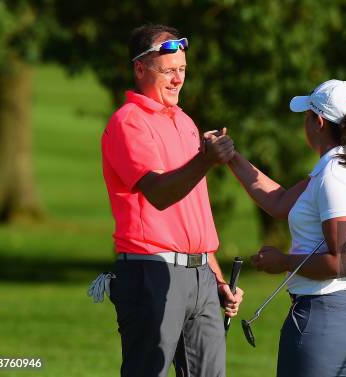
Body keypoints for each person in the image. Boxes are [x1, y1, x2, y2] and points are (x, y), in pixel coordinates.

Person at [101, 24, 243, 377]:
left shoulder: (185, 122)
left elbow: (192, 215)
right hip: (150, 270)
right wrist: (206, 160)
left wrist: (217, 279)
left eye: (182, 69)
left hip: (202, 278)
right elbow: (160, 194)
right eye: (168, 70)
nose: (178, 79)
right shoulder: (128, 123)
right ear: (140, 69)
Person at [228, 79, 346, 376]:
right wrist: (231, 158)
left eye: (306, 116)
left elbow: (344, 260)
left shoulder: (333, 174)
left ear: (318, 122)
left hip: (332, 310)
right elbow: (280, 202)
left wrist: (283, 263)